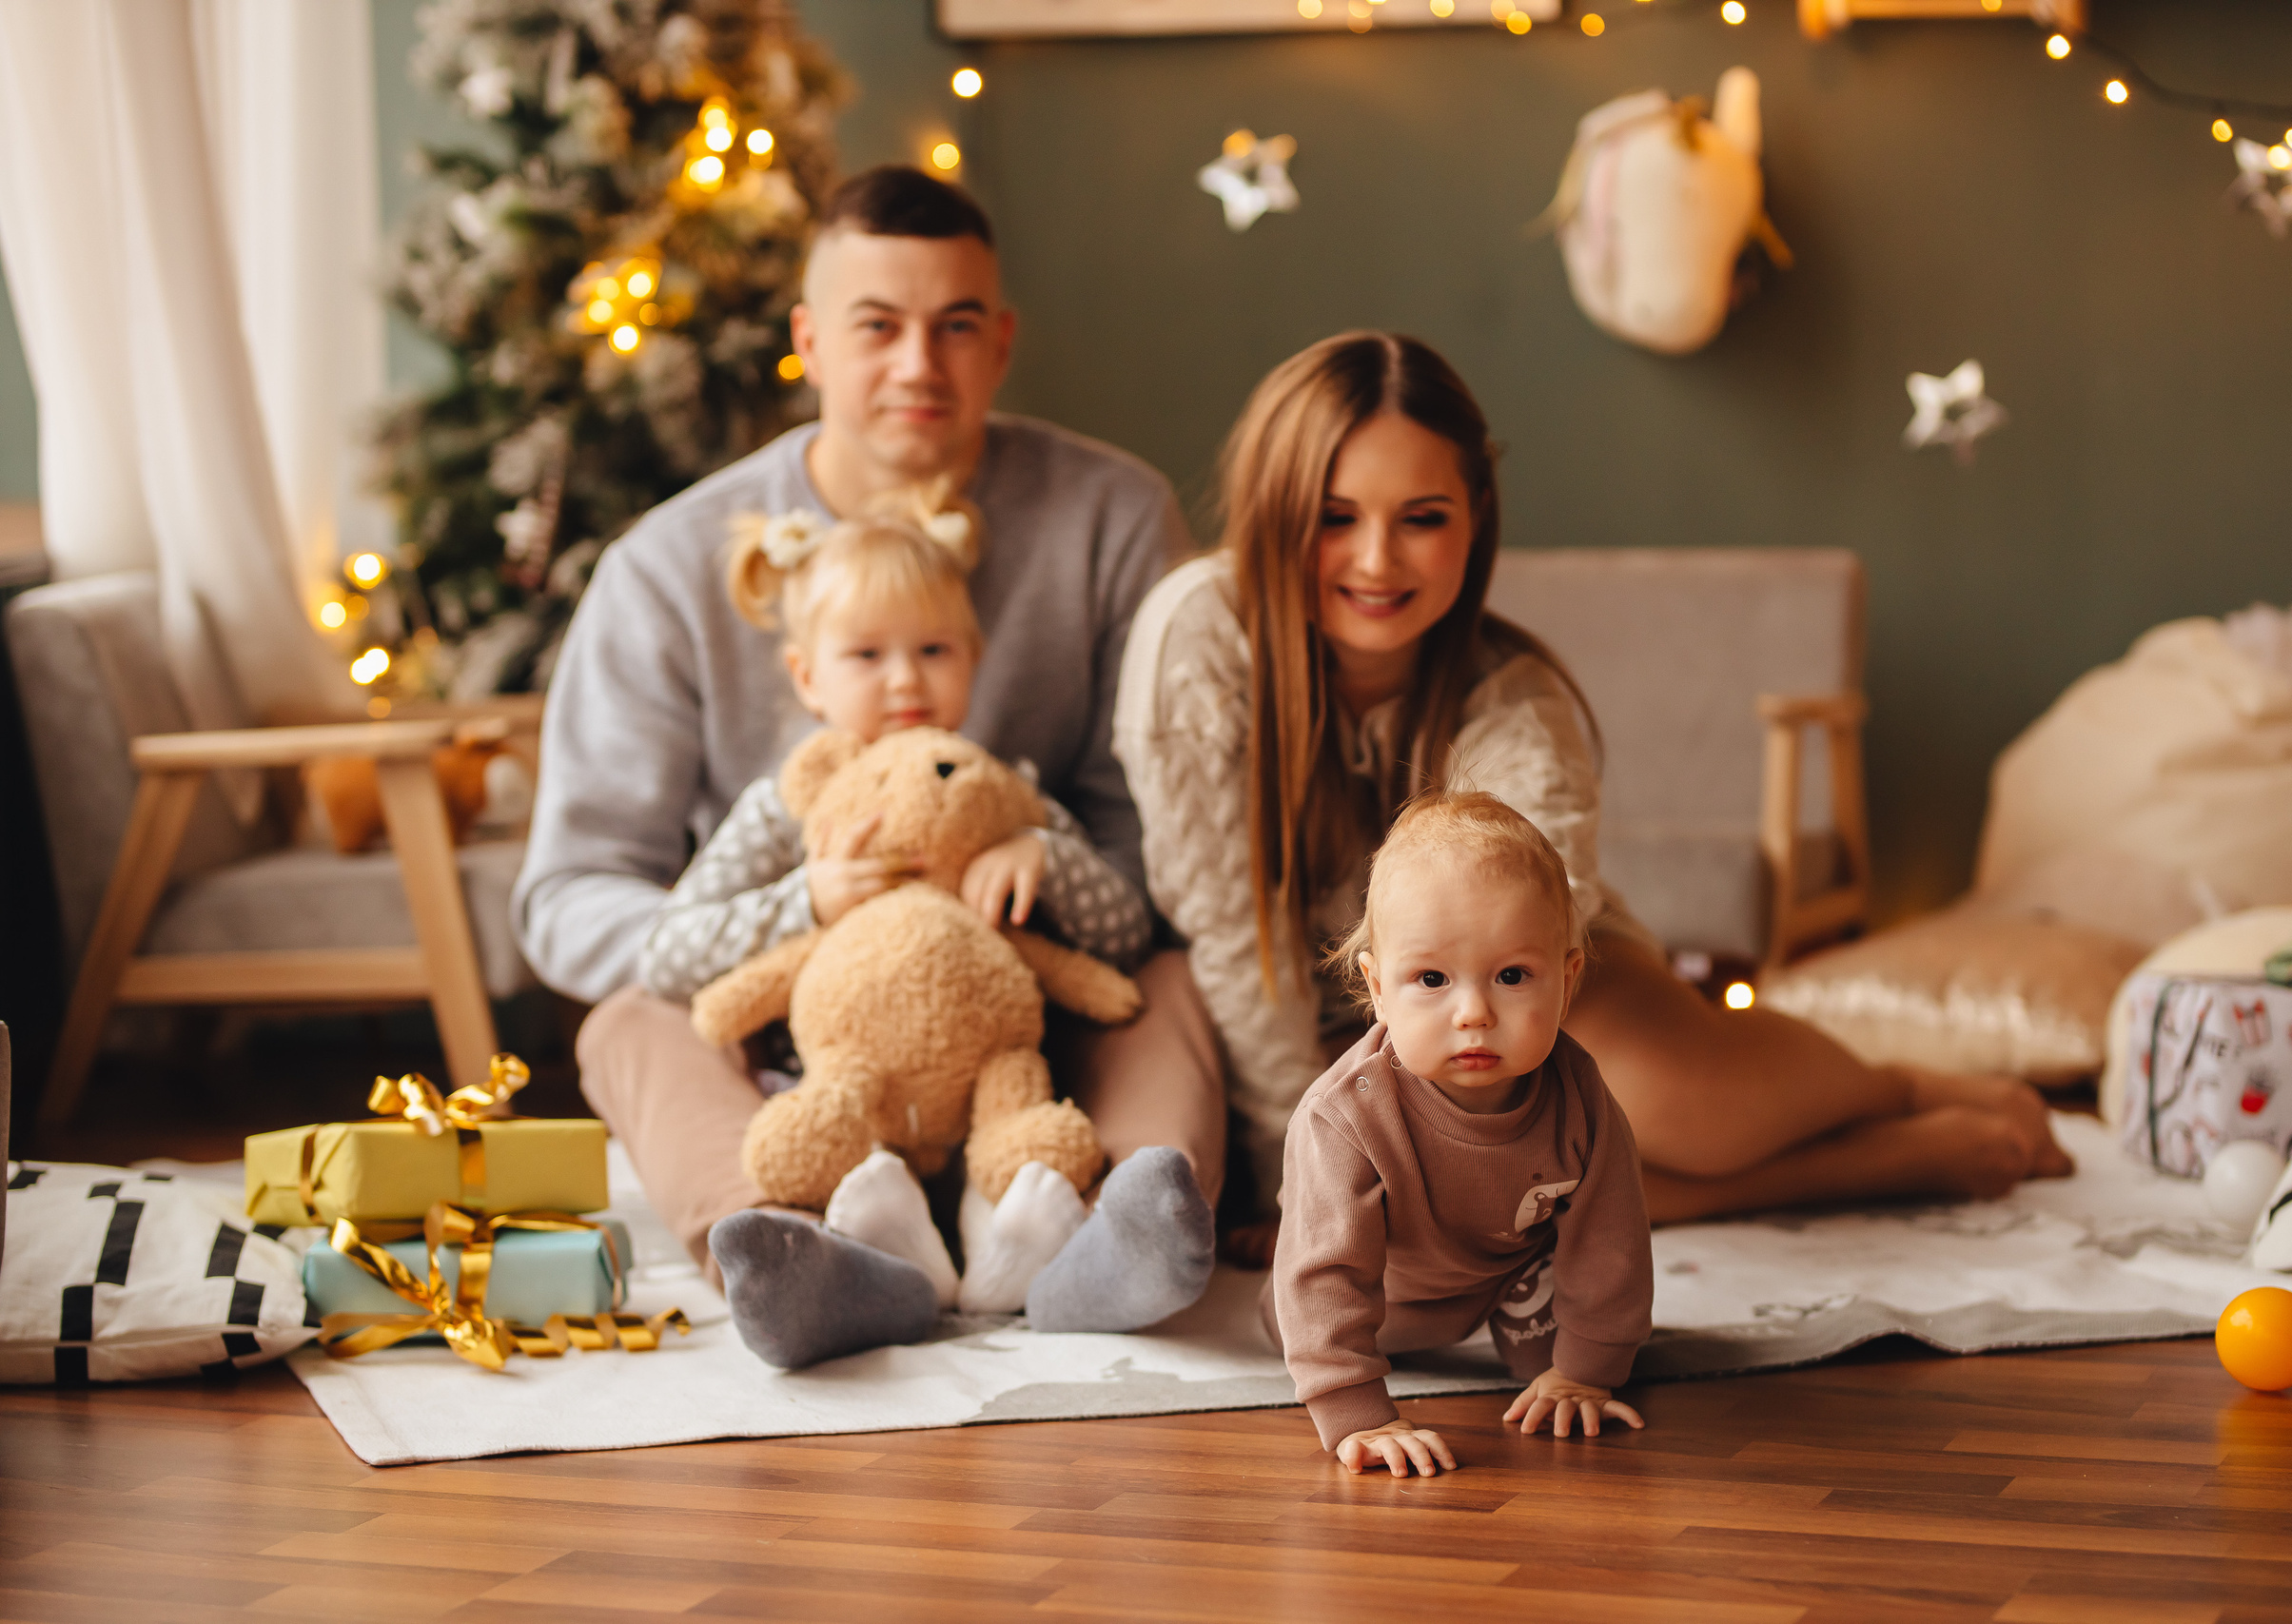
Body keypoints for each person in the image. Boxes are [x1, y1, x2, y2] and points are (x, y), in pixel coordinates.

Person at [1113, 330, 2072, 1230]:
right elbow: (1231, 936)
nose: (1375, 559)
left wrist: (1431, 1112)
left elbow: (1512, 960)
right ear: (1273, 512)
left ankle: (1889, 1090)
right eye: (1333, 519)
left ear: (1474, 519)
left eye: (1421, 519)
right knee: (1469, 1196)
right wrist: (1307, 1162)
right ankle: (1868, 1163)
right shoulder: (1194, 643)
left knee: (1638, 1117)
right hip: (1282, 1001)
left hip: (1508, 977)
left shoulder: (1517, 706)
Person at [517, 166, 1224, 1331]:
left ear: (1000, 344)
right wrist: (796, 914)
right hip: (794, 1045)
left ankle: (1113, 1238)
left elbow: (1162, 832)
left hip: (1029, 1024)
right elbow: (566, 894)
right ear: (808, 341)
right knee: (628, 1019)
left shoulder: (1114, 518)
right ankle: (795, 1254)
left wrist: (1047, 880)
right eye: (877, 327)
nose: (917, 365)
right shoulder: (666, 567)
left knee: (1176, 982)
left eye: (954, 328)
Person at [630, 482, 1156, 1341]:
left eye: (935, 649)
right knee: (641, 1024)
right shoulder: (785, 808)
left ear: (975, 656)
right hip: (838, 1091)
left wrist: (1044, 859)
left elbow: (1126, 938)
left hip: (993, 1088)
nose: (906, 678)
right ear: (807, 675)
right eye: (866, 655)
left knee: (1169, 993)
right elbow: (669, 955)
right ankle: (848, 1246)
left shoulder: (996, 786)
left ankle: (1049, 1234)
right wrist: (806, 898)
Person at [1271, 792, 1652, 1478]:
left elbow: (1611, 1237)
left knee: (1559, 1392)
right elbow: (1324, 1275)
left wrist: (1589, 1369)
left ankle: (1545, 1352)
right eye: (1432, 979)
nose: (1473, 1012)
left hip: (1508, 1280)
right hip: (1384, 1299)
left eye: (1511, 976)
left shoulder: (1580, 1096)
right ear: (1378, 988)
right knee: (1296, 1319)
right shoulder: (1345, 1117)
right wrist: (1356, 1411)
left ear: (1567, 982)